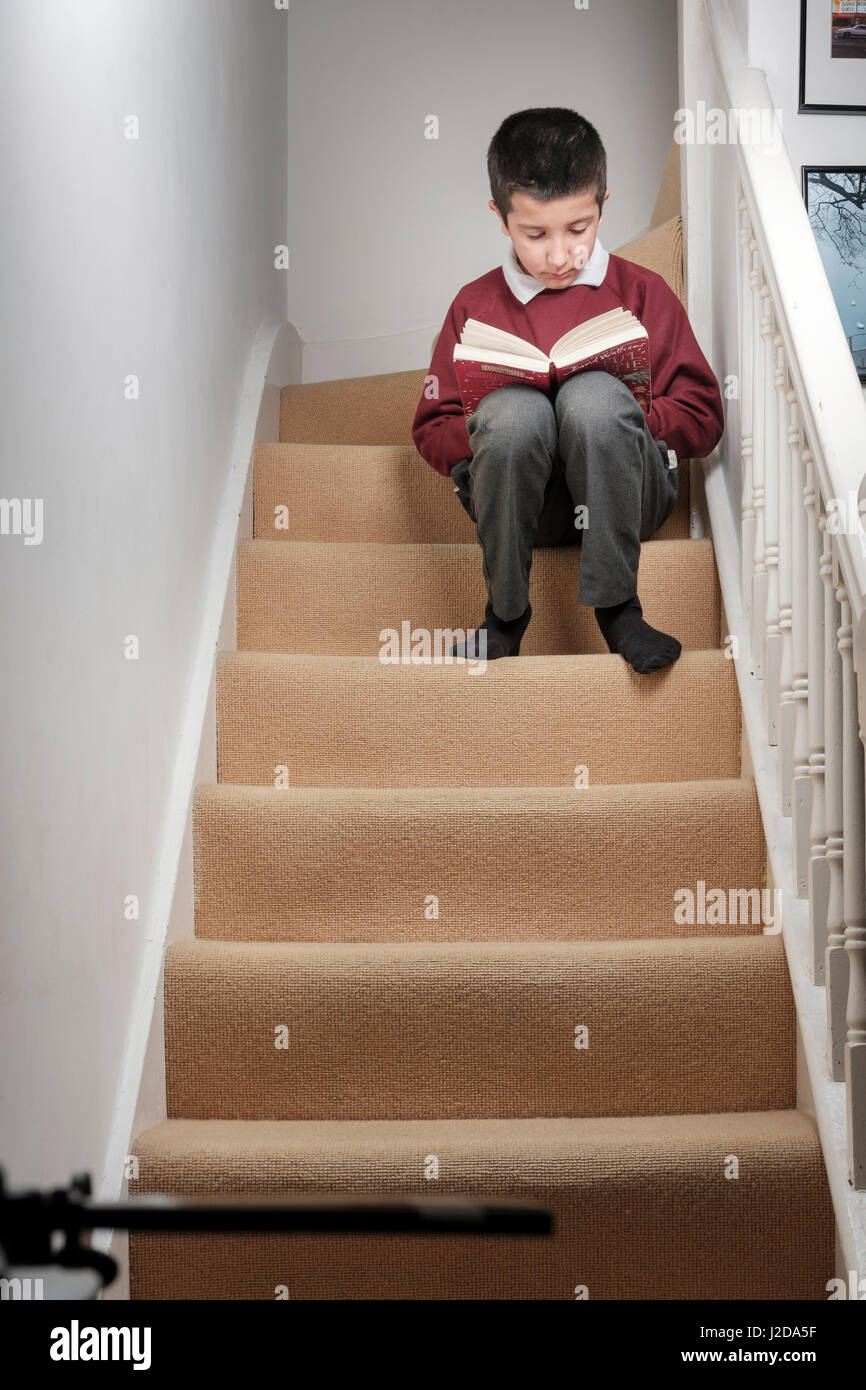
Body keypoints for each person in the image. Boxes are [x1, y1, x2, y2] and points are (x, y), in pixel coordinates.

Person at [411, 107, 725, 673]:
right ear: (501, 220)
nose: (560, 255)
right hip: (520, 504)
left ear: (603, 204)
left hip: (625, 494)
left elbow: (703, 415)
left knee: (594, 402)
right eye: (536, 234)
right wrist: (497, 425)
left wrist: (632, 419)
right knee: (515, 416)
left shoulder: (643, 292)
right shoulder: (473, 306)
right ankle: (505, 616)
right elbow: (432, 428)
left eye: (578, 230)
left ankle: (618, 609)